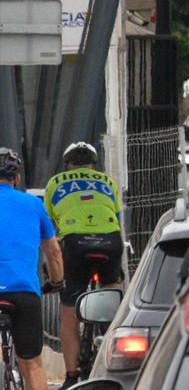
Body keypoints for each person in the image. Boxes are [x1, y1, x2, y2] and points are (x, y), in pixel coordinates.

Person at [46, 142, 124, 386]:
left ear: (67, 163)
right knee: (114, 296)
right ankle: (116, 361)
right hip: (110, 242)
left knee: (69, 312)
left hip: (75, 243)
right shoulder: (108, 182)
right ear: (94, 163)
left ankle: (71, 377)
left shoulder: (55, 183)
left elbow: (51, 229)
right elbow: (118, 220)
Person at [0, 148, 64, 390]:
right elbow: (54, 252)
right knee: (33, 364)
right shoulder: (32, 204)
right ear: (16, 178)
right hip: (24, 294)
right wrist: (57, 282)